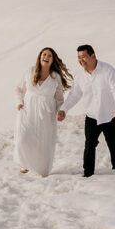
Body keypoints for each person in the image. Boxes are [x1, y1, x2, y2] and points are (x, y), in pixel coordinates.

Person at [57, 44, 115, 177]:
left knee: (114, 145)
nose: (81, 60)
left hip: (111, 115)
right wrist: (64, 109)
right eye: (78, 57)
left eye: (83, 57)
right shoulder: (80, 75)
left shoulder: (108, 70)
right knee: (89, 145)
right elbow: (74, 95)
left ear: (93, 56)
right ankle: (87, 174)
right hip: (92, 116)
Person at [14, 47, 73, 176]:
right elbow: (19, 89)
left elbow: (59, 99)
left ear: (53, 60)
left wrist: (61, 111)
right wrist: (19, 102)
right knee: (23, 139)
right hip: (28, 111)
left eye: (49, 55)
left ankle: (41, 168)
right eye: (44, 54)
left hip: (47, 113)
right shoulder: (30, 71)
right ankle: (25, 163)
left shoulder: (55, 77)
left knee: (43, 142)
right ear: (40, 57)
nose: (46, 57)